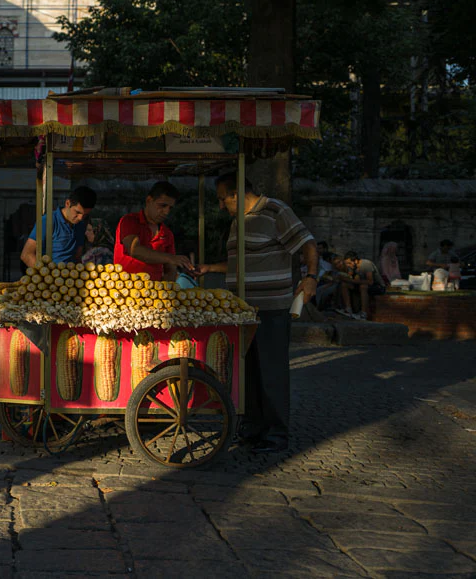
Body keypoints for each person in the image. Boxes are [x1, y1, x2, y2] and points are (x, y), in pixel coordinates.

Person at [196, 172, 318, 454]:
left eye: (222, 199)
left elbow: (307, 243)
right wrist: (209, 268)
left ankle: (275, 434)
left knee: (271, 372)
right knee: (248, 372)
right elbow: (239, 263)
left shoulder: (276, 211)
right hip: (243, 311)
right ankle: (252, 429)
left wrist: (311, 276)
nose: (221, 206)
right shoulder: (239, 221)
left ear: (237, 194)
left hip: (271, 308)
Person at [114, 181, 195, 281]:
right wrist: (170, 258)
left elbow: (170, 270)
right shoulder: (129, 221)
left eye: (170, 208)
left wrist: (168, 287)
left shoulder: (167, 234)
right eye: (162, 205)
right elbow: (134, 250)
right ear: (149, 200)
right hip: (124, 291)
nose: (166, 212)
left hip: (154, 293)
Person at [20, 186, 96, 267]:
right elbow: (26, 255)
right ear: (67, 203)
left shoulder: (81, 225)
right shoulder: (48, 221)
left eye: (85, 215)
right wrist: (45, 275)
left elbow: (77, 257)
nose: (80, 218)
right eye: (77, 212)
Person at [337, 251, 384, 320]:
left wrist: (351, 280)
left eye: (349, 263)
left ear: (355, 261)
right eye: (346, 263)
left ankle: (363, 314)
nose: (348, 265)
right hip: (363, 286)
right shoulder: (353, 267)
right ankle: (348, 309)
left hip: (378, 287)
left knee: (363, 286)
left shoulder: (366, 264)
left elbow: (370, 282)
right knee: (344, 284)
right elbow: (354, 279)